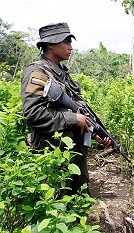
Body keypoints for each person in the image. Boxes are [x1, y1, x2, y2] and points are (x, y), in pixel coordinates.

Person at [20, 22, 111, 197]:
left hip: (75, 152)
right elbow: (33, 114)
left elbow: (79, 110)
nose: (71, 47)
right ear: (50, 44)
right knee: (56, 207)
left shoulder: (62, 73)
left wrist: (93, 132)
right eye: (66, 42)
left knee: (78, 204)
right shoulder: (38, 72)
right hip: (53, 155)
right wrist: (72, 119)